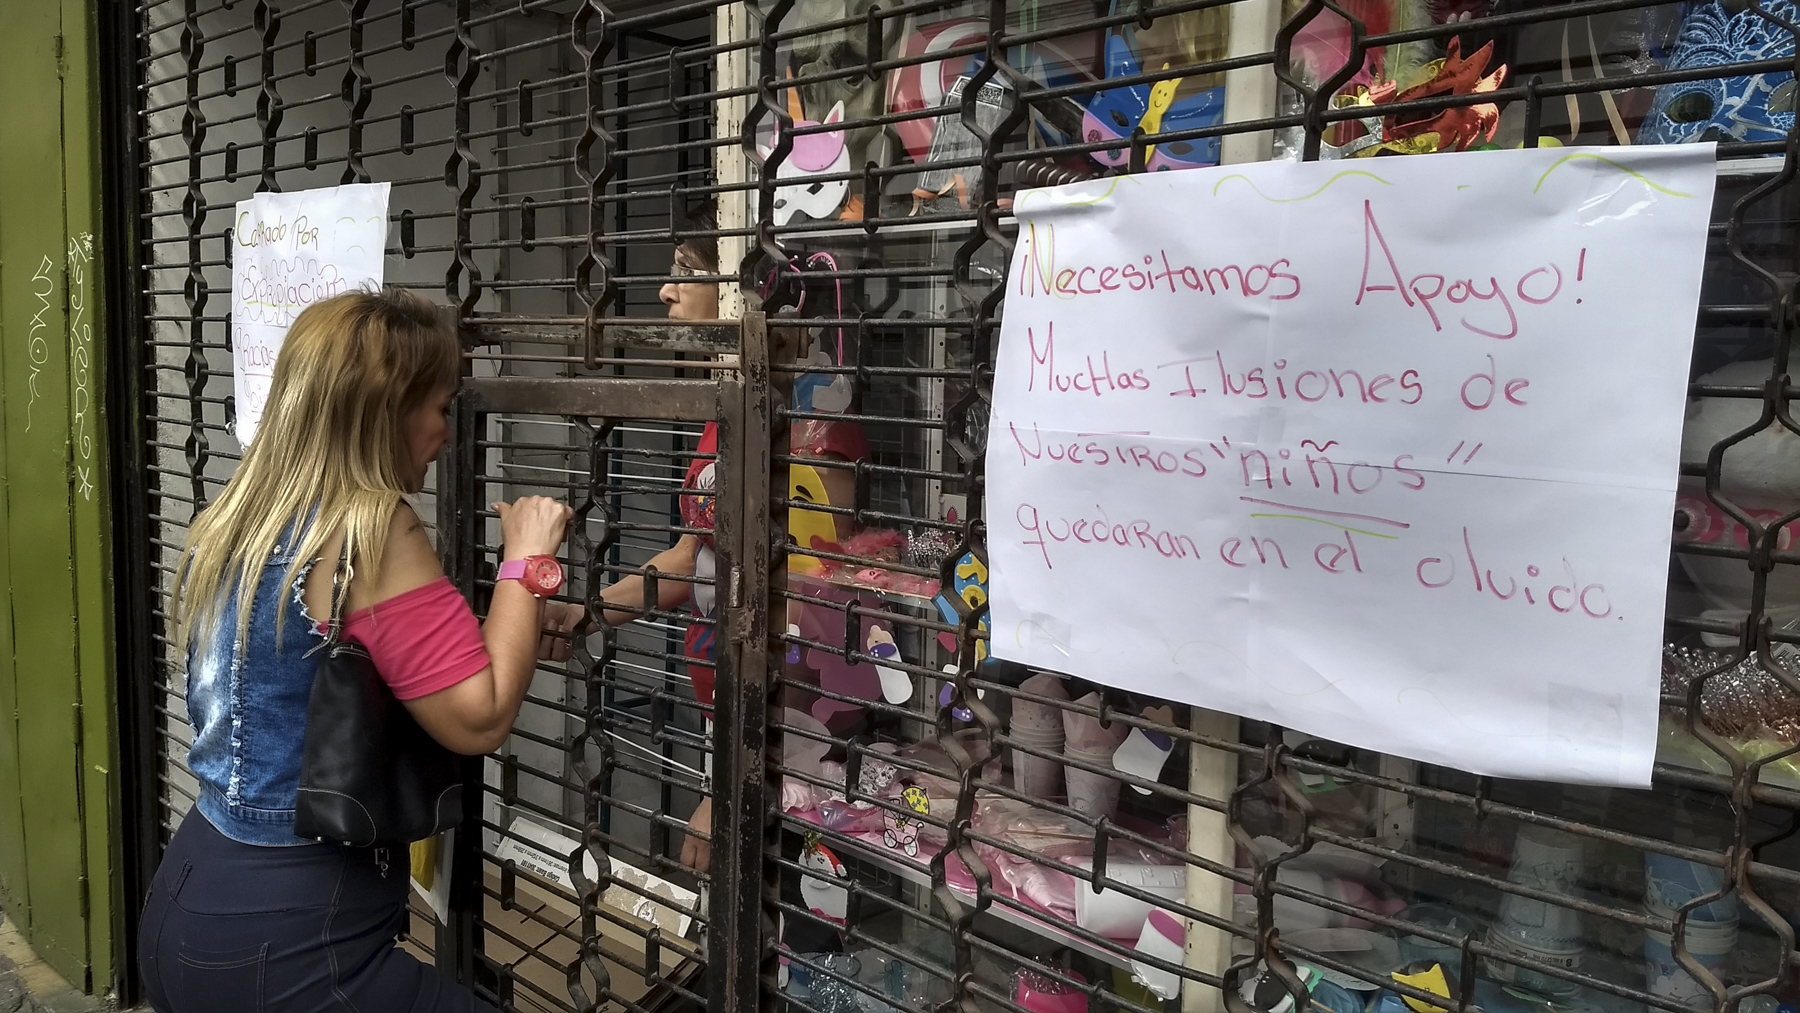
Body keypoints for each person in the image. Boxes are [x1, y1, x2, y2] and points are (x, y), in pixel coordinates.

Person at [137, 289, 587, 1013]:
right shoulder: (372, 526)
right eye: (441, 407)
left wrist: (518, 622)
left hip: (191, 896)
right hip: (288, 940)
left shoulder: (246, 513)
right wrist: (528, 561)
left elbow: (345, 653)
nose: (447, 432)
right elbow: (481, 716)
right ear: (388, 412)